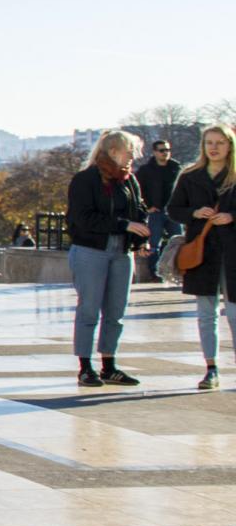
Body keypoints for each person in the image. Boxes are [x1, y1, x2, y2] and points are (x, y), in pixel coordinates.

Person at [67, 130, 151, 387]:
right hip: (91, 250)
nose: (133, 157)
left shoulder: (128, 181)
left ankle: (109, 365)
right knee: (89, 309)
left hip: (122, 252)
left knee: (116, 311)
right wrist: (123, 224)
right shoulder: (86, 180)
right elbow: (82, 219)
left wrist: (140, 235)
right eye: (129, 151)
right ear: (113, 151)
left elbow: (140, 210)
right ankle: (85, 366)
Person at [166, 124, 236, 391]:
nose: (214, 147)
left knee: (234, 312)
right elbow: (173, 209)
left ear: (230, 146)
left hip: (231, 251)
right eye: (209, 142)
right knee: (206, 313)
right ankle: (211, 367)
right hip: (203, 250)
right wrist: (194, 213)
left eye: (220, 142)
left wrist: (231, 217)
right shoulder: (190, 175)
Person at [138, 138, 183, 285]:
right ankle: (155, 274)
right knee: (153, 244)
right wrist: (147, 206)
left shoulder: (176, 168)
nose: (166, 153)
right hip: (155, 212)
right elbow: (137, 190)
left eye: (168, 150)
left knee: (178, 242)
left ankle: (179, 271)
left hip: (174, 212)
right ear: (155, 152)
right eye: (162, 150)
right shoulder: (146, 170)